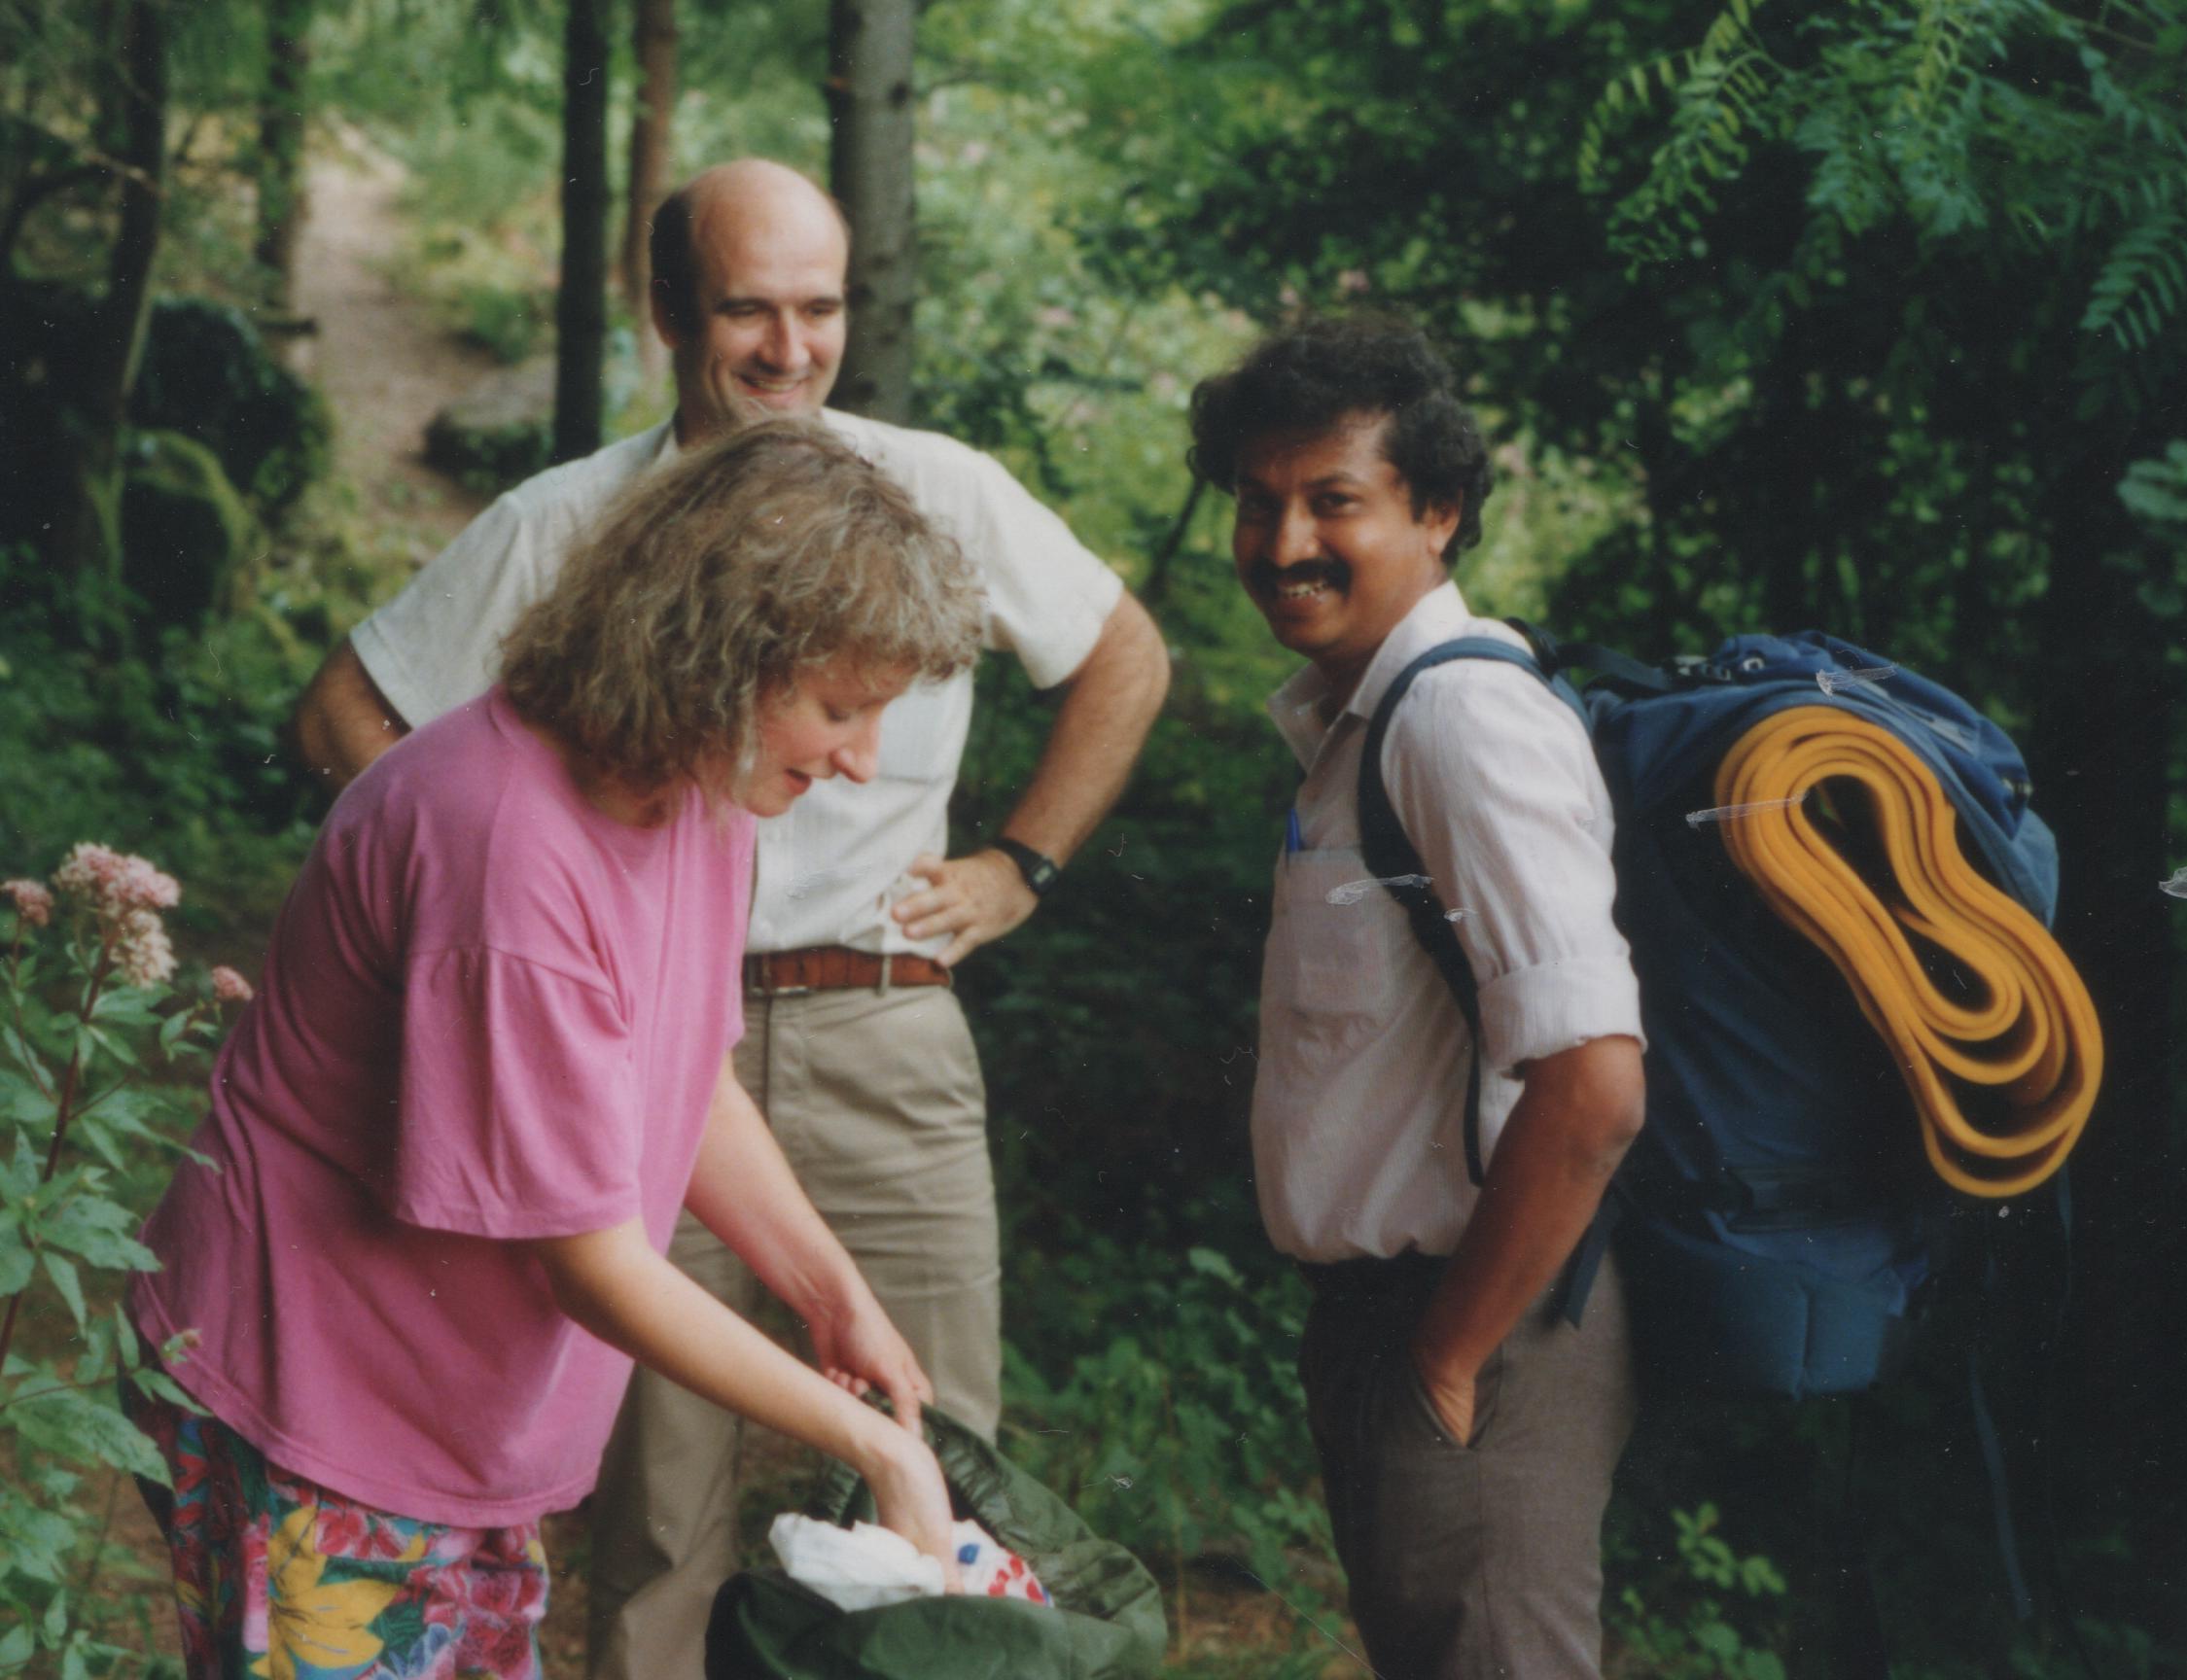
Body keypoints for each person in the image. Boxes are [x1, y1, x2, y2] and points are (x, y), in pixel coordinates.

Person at [289, 159, 1170, 1675]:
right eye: (748, 309)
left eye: (820, 308)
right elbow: (345, 722)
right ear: (668, 312)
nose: (789, 346)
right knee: (656, 1498)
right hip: (593, 1061)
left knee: (937, 1459)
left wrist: (1018, 864)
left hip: (869, 1008)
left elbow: (1122, 651)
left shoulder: (923, 506)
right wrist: (462, 891)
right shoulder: (571, 571)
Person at [128, 419, 986, 1680]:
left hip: (445, 1425)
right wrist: (877, 1449)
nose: (860, 761)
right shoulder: (508, 850)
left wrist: (830, 1292)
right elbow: (593, 1265)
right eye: (839, 709)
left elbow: (686, 1079)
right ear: (717, 655)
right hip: (310, 1406)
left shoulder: (698, 790)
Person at [1186, 316, 1648, 1679]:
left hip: (1484, 1328)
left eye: (1333, 501)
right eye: (1258, 503)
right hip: (1407, 1324)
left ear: (1438, 511)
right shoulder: (1363, 726)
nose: (1284, 544)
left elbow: (1594, 1085)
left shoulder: (1459, 721)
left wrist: (1445, 1362)